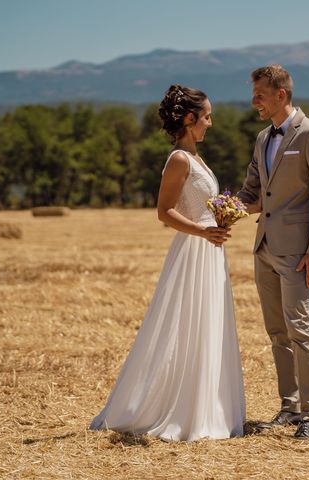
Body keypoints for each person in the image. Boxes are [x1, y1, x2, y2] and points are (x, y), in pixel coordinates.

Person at [90, 85, 246, 441]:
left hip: (209, 250)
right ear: (189, 119)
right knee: (185, 324)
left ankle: (207, 405)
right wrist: (202, 231)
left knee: (207, 325)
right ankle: (174, 410)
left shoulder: (197, 158)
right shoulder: (179, 159)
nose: (210, 122)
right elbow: (164, 212)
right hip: (193, 251)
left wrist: (220, 222)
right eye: (206, 116)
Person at [237, 65, 309, 439]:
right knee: (277, 332)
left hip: (299, 253)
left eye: (259, 95)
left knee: (301, 330)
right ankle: (290, 407)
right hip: (263, 247)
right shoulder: (263, 138)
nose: (254, 102)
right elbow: (252, 193)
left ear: (280, 95)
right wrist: (222, 209)